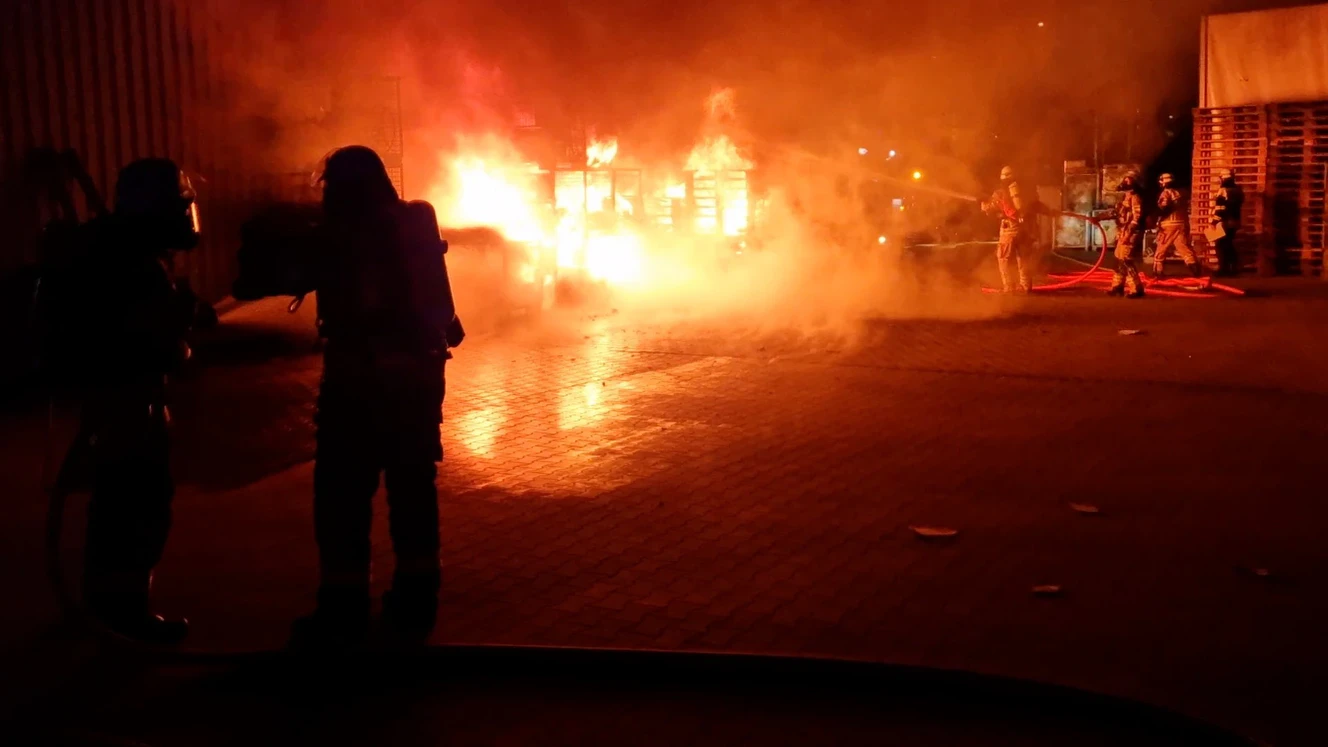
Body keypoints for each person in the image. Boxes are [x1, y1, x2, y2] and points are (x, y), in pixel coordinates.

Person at [290, 146, 462, 647]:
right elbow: (444, 315)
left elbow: (270, 278)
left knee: (342, 499)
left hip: (355, 390)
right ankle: (417, 604)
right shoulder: (415, 221)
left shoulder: (334, 235)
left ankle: (342, 610)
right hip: (417, 389)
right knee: (413, 494)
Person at [43, 159, 201, 643]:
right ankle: (124, 614)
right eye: (177, 207)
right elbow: (155, 343)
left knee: (116, 503)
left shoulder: (108, 248)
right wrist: (182, 328)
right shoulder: (135, 265)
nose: (183, 216)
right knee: (138, 506)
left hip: (109, 400)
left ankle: (105, 607)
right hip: (130, 401)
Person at [981, 165, 1032, 293]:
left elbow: (990, 208)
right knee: (1023, 258)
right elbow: (1035, 205)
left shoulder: (1000, 193)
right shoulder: (1024, 191)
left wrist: (984, 205)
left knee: (1003, 258)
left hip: (1008, 229)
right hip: (1023, 228)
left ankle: (1009, 287)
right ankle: (1025, 286)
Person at [1152, 173, 1203, 280]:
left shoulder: (1165, 193)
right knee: (1183, 247)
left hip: (1169, 224)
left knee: (1161, 247)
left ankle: (1158, 272)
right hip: (1182, 223)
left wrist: (1156, 216)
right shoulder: (1181, 193)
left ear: (1163, 183)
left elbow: (1164, 208)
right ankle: (1195, 270)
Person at [1106, 172, 1146, 298]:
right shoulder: (1125, 197)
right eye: (1125, 180)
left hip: (1130, 234)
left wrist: (1128, 234)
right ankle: (1117, 286)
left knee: (1126, 260)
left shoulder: (1135, 198)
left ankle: (1137, 289)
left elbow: (1136, 218)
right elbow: (1117, 214)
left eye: (1128, 180)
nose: (1125, 182)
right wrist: (1099, 218)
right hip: (1123, 232)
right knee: (1119, 260)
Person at [1212, 168, 1244, 276]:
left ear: (1222, 178)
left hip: (1223, 222)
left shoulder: (1223, 190)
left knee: (1220, 245)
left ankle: (1223, 269)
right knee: (1229, 244)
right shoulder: (1238, 191)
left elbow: (1220, 208)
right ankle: (1233, 268)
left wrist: (1214, 221)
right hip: (1235, 221)